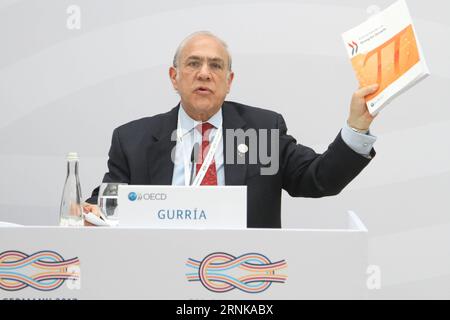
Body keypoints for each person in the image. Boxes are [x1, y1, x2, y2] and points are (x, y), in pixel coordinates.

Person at [84, 31, 378, 228]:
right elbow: (109, 204)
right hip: (158, 272)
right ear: (174, 77)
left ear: (229, 81)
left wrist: (356, 127)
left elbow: (319, 179)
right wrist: (90, 211)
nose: (204, 73)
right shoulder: (133, 139)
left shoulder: (263, 131)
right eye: (193, 63)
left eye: (215, 66)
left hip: (243, 275)